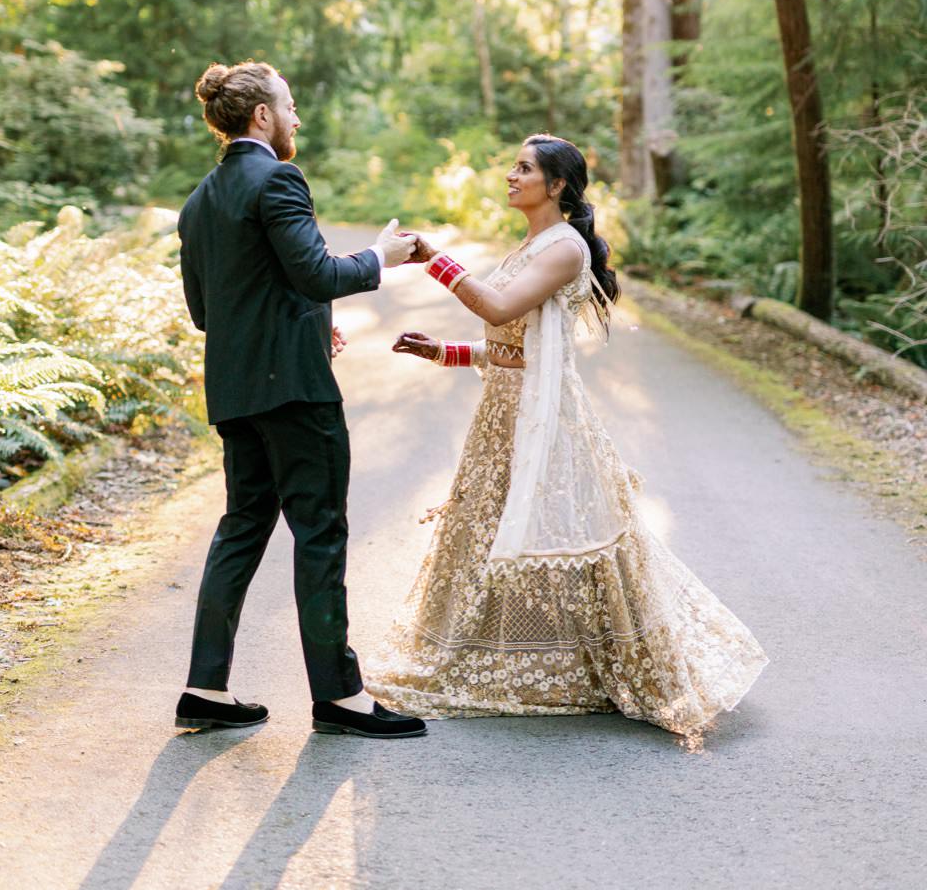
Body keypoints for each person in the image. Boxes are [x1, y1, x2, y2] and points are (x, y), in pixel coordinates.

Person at [363, 134, 768, 741]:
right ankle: (493, 655)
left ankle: (583, 667)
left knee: (565, 535)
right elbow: (515, 345)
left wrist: (434, 257)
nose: (510, 175)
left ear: (557, 186)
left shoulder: (564, 249)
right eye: (513, 166)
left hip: (545, 419)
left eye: (524, 169)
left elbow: (499, 309)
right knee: (488, 533)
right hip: (502, 414)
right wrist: (444, 351)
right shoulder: (531, 243)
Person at [173, 60, 429, 741]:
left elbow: (212, 311)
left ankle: (204, 687)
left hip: (235, 394)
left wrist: (306, 323)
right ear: (262, 116)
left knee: (242, 528)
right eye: (289, 107)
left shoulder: (198, 201)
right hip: (295, 395)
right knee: (319, 533)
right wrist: (382, 256)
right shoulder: (279, 177)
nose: (296, 119)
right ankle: (340, 697)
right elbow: (314, 273)